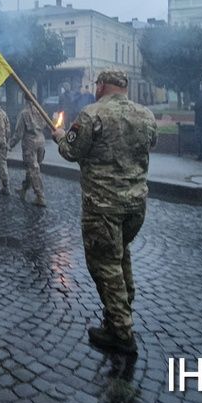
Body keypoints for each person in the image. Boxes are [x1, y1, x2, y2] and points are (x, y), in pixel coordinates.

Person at [54, 70, 156, 356]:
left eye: (96, 85)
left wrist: (60, 136)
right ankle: (120, 310)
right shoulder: (145, 114)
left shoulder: (91, 115)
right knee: (120, 256)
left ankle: (121, 332)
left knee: (105, 265)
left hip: (103, 207)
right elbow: (151, 145)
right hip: (136, 205)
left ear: (101, 86)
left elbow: (71, 152)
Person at [9, 103, 49, 207]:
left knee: (33, 170)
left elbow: (18, 133)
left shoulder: (24, 113)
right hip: (41, 142)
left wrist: (11, 145)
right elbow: (46, 124)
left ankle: (40, 197)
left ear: (25, 100)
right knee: (32, 169)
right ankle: (24, 189)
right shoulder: (41, 110)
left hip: (30, 143)